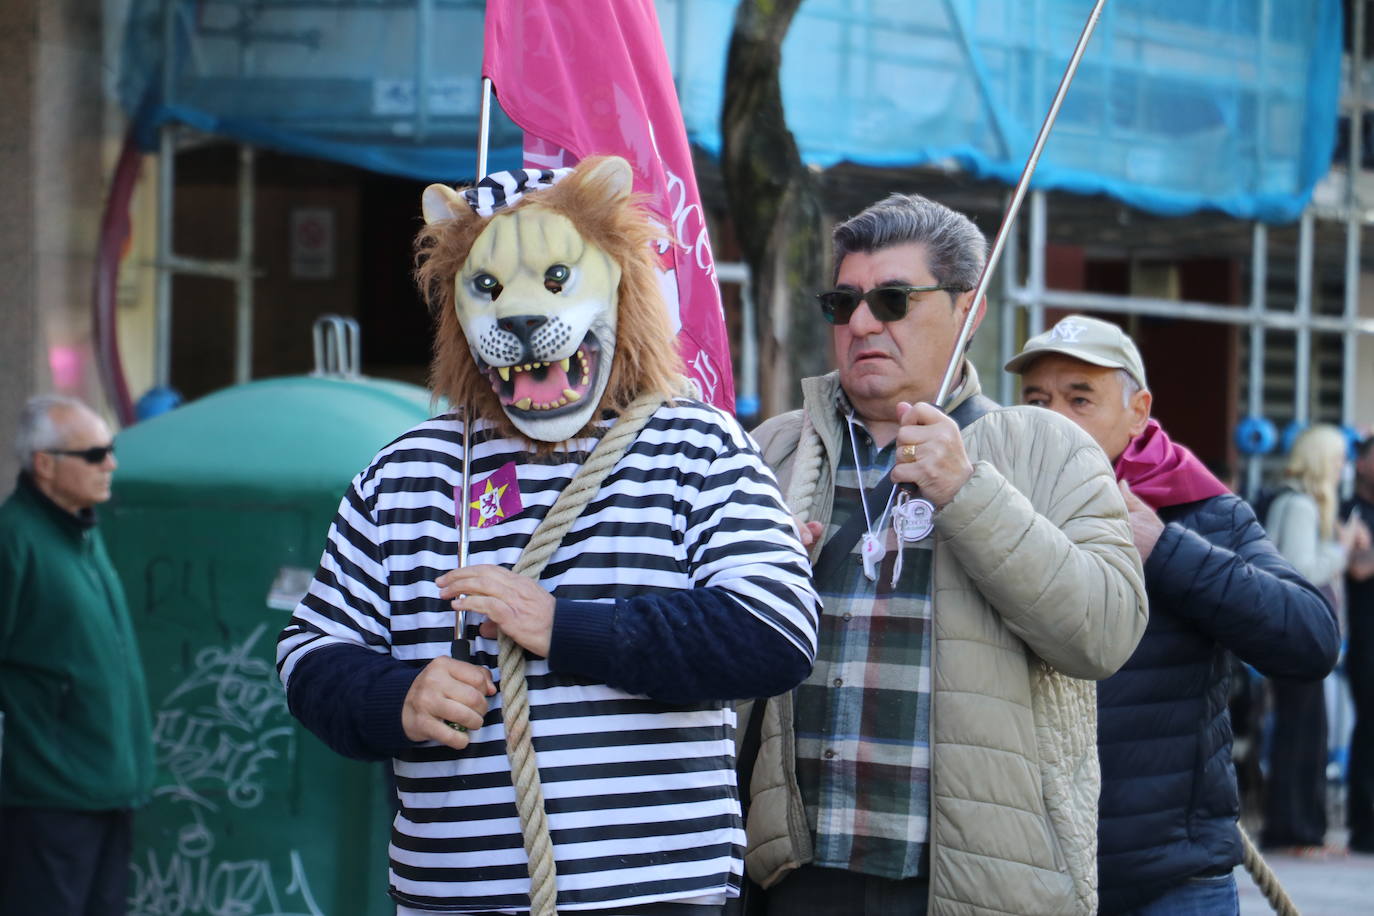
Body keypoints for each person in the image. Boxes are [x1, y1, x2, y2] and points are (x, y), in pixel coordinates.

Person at [277, 157, 820, 915]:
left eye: (557, 281)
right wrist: (396, 697)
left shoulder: (699, 447)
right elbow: (308, 655)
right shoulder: (403, 474)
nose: (521, 317)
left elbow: (777, 632)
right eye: (491, 290)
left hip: (658, 900)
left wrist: (564, 626)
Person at [743, 193, 1148, 916]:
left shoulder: (1047, 448)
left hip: (968, 882)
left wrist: (967, 491)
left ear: (969, 309)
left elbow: (1105, 632)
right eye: (844, 302)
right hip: (796, 874)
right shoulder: (773, 449)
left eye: (894, 299)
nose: (863, 323)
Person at [1008, 315, 1341, 914]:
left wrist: (1163, 549)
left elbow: (1311, 639)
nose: (1053, 418)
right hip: (1023, 870)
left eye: (1080, 398)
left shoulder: (1200, 510)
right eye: (1037, 399)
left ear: (1138, 411)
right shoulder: (985, 501)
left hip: (1172, 879)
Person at [0, 394, 155, 916]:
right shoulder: (13, 539)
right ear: (44, 465)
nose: (110, 463)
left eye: (110, 449)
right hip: (47, 800)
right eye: (93, 454)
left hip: (108, 791)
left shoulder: (80, 531)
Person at [1260, 424, 1370, 855]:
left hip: (1292, 633)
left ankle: (1302, 829)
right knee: (1300, 732)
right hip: (1294, 632)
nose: (1344, 468)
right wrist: (1341, 549)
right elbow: (1301, 569)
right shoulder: (1301, 505)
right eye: (1339, 459)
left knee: (1305, 730)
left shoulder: (1291, 500)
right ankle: (1294, 831)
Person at [1345, 435, 1374, 854]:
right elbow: (1359, 569)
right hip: (1365, 640)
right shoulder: (1350, 510)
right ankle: (1364, 827)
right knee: (1369, 729)